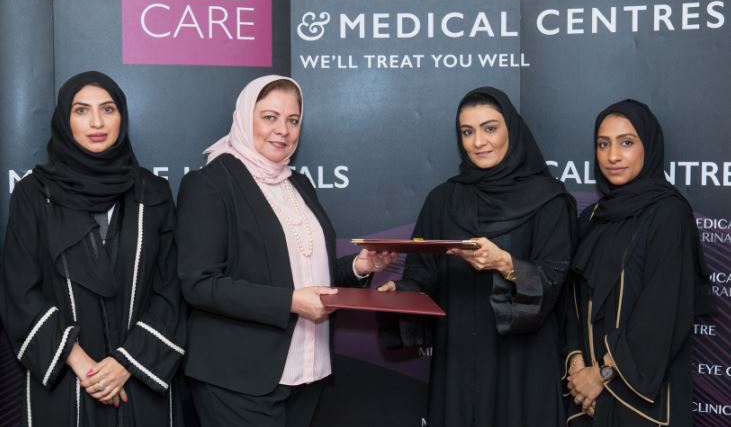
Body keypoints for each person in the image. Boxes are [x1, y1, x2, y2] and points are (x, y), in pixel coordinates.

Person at [176, 74, 396, 427]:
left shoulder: (298, 183)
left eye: (293, 120)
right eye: (270, 117)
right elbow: (199, 284)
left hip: (308, 372)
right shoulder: (210, 184)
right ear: (244, 117)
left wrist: (359, 266)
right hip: (238, 379)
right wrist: (291, 302)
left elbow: (305, 274)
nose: (283, 130)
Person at [379, 86, 576, 427]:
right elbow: (423, 272)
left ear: (511, 130)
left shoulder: (550, 200)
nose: (478, 142)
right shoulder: (443, 200)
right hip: (459, 358)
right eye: (467, 132)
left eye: (490, 128)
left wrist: (505, 264)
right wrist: (402, 294)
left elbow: (556, 281)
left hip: (523, 363)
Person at [0, 71, 186, 426]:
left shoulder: (153, 193)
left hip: (139, 381)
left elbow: (171, 290)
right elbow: (19, 291)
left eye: (108, 109)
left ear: (122, 117)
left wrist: (125, 363)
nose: (97, 122)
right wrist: (83, 364)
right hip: (66, 383)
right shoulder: (34, 194)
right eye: (82, 110)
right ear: (65, 120)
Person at [564, 99, 714, 426]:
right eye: (603, 144)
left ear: (649, 147)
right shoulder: (592, 218)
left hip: (642, 405)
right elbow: (571, 303)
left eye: (626, 143)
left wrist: (600, 375)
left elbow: (662, 317)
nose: (613, 156)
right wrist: (577, 367)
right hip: (585, 400)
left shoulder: (669, 214)